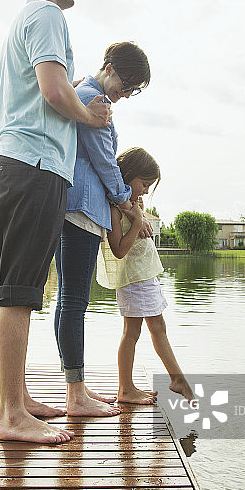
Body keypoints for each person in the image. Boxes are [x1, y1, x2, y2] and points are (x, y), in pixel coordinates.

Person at [0, 0, 112, 444]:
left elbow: (56, 84)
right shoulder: (46, 16)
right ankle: (12, 416)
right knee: (17, 295)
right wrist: (91, 115)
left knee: (25, 292)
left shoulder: (34, 19)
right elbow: (54, 90)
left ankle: (18, 401)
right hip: (31, 166)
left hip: (33, 168)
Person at [54, 43, 152, 416]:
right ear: (109, 68)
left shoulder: (83, 93)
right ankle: (76, 395)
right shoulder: (94, 100)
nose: (125, 95)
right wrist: (126, 199)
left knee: (68, 298)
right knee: (75, 300)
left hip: (72, 202)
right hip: (81, 205)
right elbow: (106, 162)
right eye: (126, 85)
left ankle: (74, 386)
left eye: (132, 91)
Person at [97, 147, 194, 405]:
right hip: (133, 277)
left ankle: (174, 378)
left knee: (155, 327)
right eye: (144, 184)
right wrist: (138, 223)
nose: (146, 191)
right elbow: (118, 249)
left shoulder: (131, 203)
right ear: (127, 174)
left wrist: (139, 216)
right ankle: (128, 388)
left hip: (144, 275)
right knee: (133, 331)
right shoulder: (116, 208)